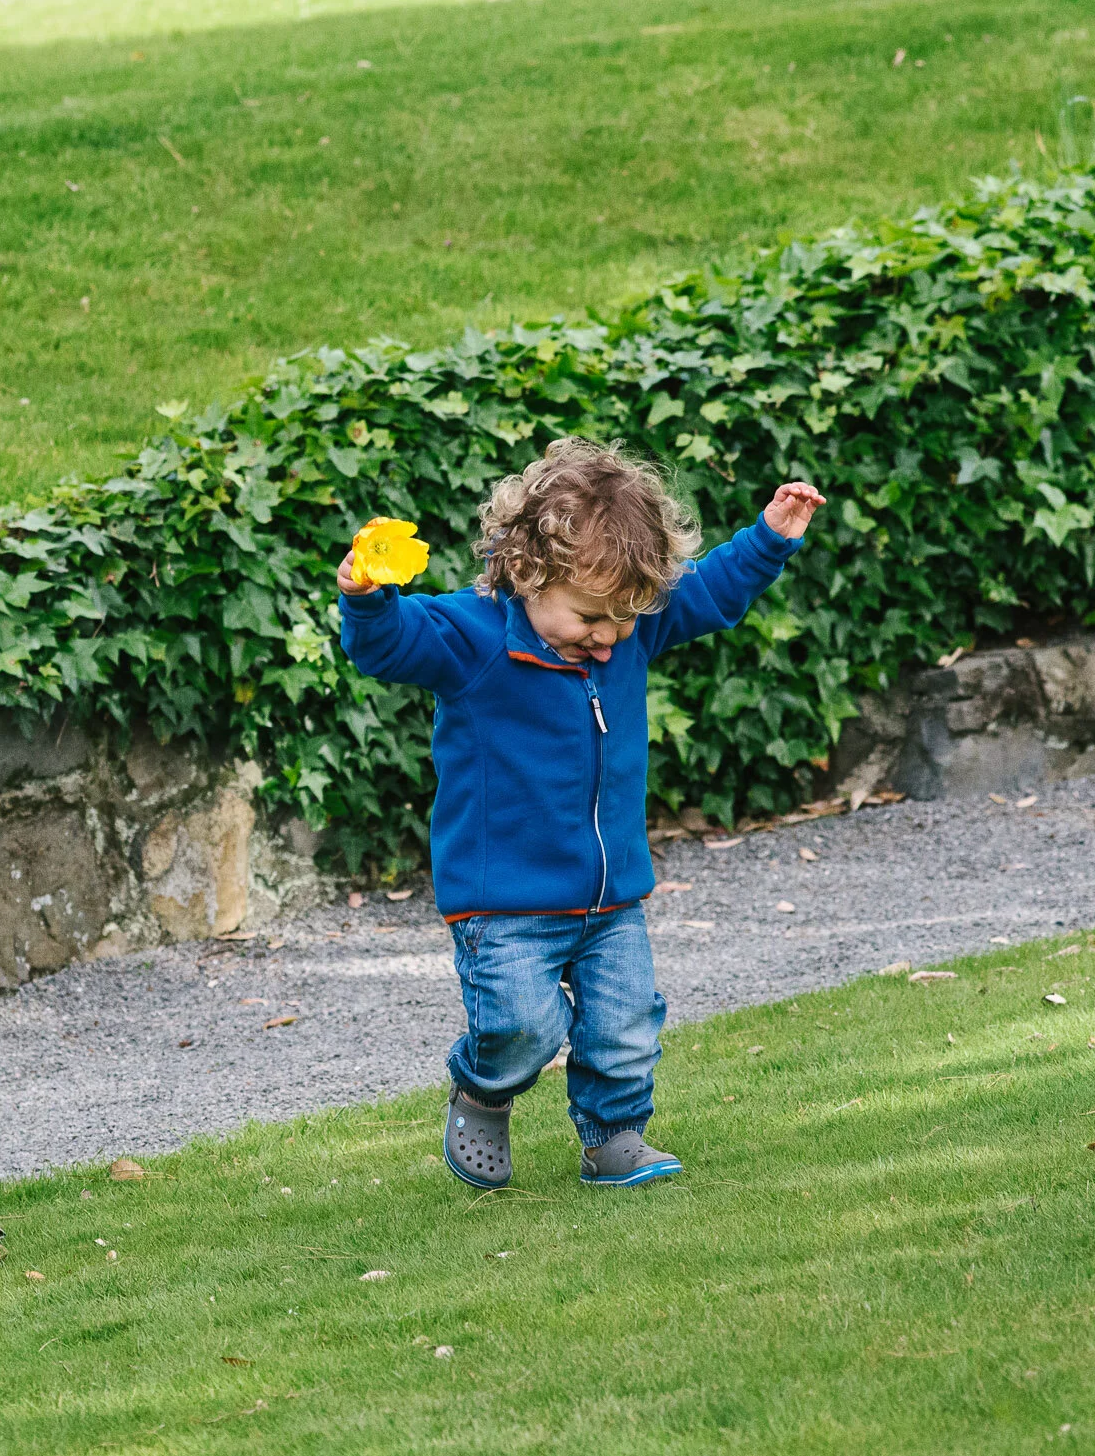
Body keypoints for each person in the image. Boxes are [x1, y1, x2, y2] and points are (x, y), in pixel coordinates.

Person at [337, 439, 825, 1188]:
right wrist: (369, 600)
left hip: (610, 894)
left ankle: (615, 1137)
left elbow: (707, 593)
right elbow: (393, 644)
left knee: (626, 1025)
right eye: (592, 616)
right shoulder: (473, 639)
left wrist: (768, 541)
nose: (607, 637)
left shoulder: (626, 627)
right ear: (529, 571)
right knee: (524, 1027)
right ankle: (483, 1087)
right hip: (503, 901)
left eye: (625, 619)